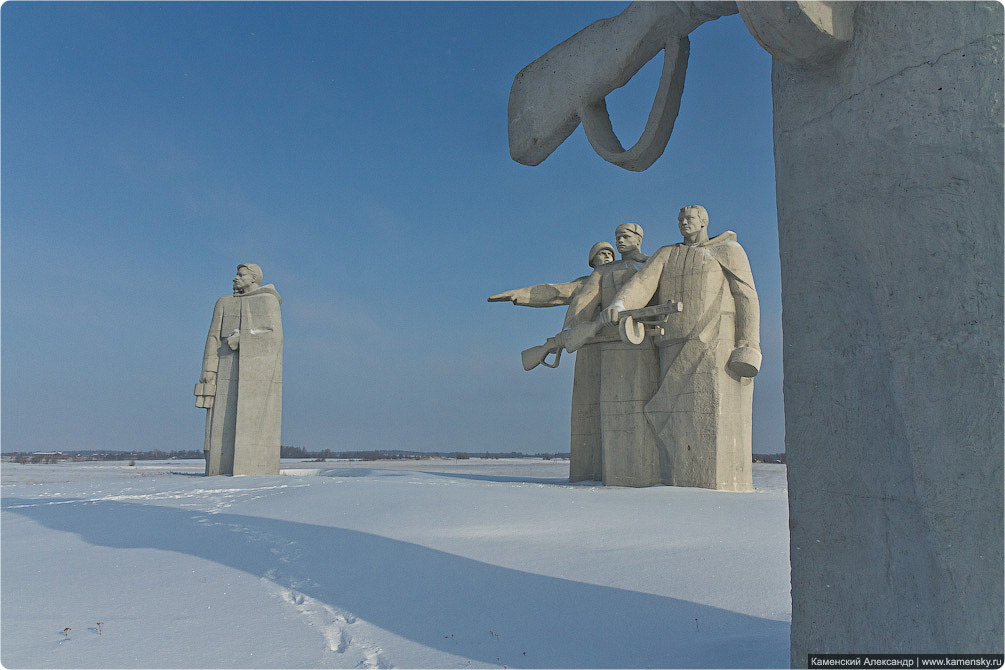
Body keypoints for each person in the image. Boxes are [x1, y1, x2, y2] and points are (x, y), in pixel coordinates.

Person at [602, 205, 760, 490]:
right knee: (670, 419)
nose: (683, 224)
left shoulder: (727, 250)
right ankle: (678, 478)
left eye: (689, 219)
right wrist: (620, 305)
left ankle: (708, 483)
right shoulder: (667, 253)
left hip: (714, 345)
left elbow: (746, 296)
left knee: (710, 418)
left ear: (704, 222)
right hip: (671, 344)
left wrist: (749, 345)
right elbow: (642, 283)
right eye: (680, 220)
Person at [560, 222, 661, 486]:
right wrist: (568, 333)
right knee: (615, 412)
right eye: (617, 237)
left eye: (625, 236)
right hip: (611, 346)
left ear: (639, 238)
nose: (620, 241)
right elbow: (583, 303)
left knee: (641, 411)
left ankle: (645, 476)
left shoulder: (652, 264)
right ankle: (617, 476)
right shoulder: (604, 272)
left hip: (642, 344)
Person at [196, 263, 283, 476]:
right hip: (224, 370)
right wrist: (209, 371)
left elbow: (275, 337)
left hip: (256, 377)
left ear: (253, 279)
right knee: (218, 426)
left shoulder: (268, 300)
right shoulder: (223, 303)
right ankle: (218, 468)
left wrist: (243, 339)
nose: (235, 278)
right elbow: (213, 338)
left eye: (241, 274)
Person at [487, 241, 615, 307]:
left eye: (610, 254)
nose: (606, 256)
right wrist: (517, 294)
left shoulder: (625, 274)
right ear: (592, 261)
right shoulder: (583, 284)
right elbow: (553, 292)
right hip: (590, 342)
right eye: (601, 253)